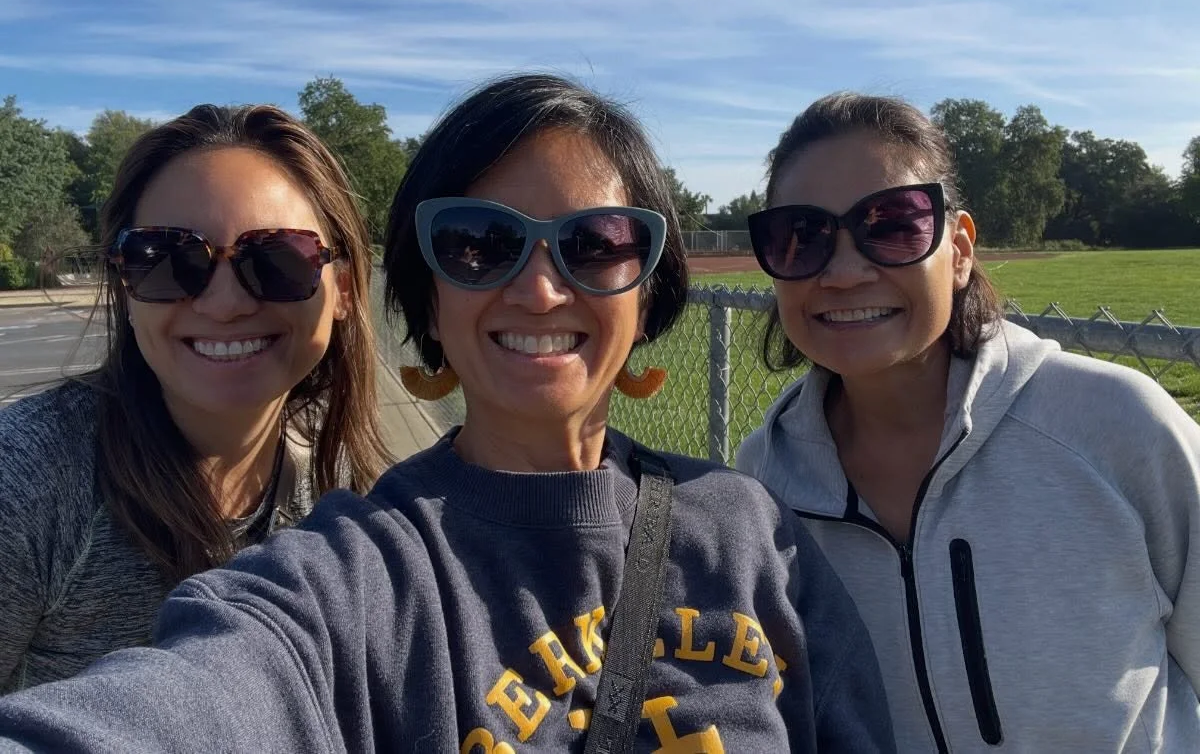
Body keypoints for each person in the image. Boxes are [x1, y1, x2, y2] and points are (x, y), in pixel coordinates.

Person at [0, 75, 894, 753]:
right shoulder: (356, 567)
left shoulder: (749, 530)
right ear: (426, 290)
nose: (541, 288)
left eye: (597, 244)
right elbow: (214, 683)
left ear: (649, 285)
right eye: (480, 243)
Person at [737, 91, 1200, 751]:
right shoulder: (760, 484)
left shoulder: (1116, 427)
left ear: (958, 251)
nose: (842, 273)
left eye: (892, 224)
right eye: (801, 236)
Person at [0, 104, 389, 693]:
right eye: (168, 261)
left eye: (277, 260)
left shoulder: (346, 496)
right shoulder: (28, 482)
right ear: (125, 286)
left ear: (345, 288)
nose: (224, 303)